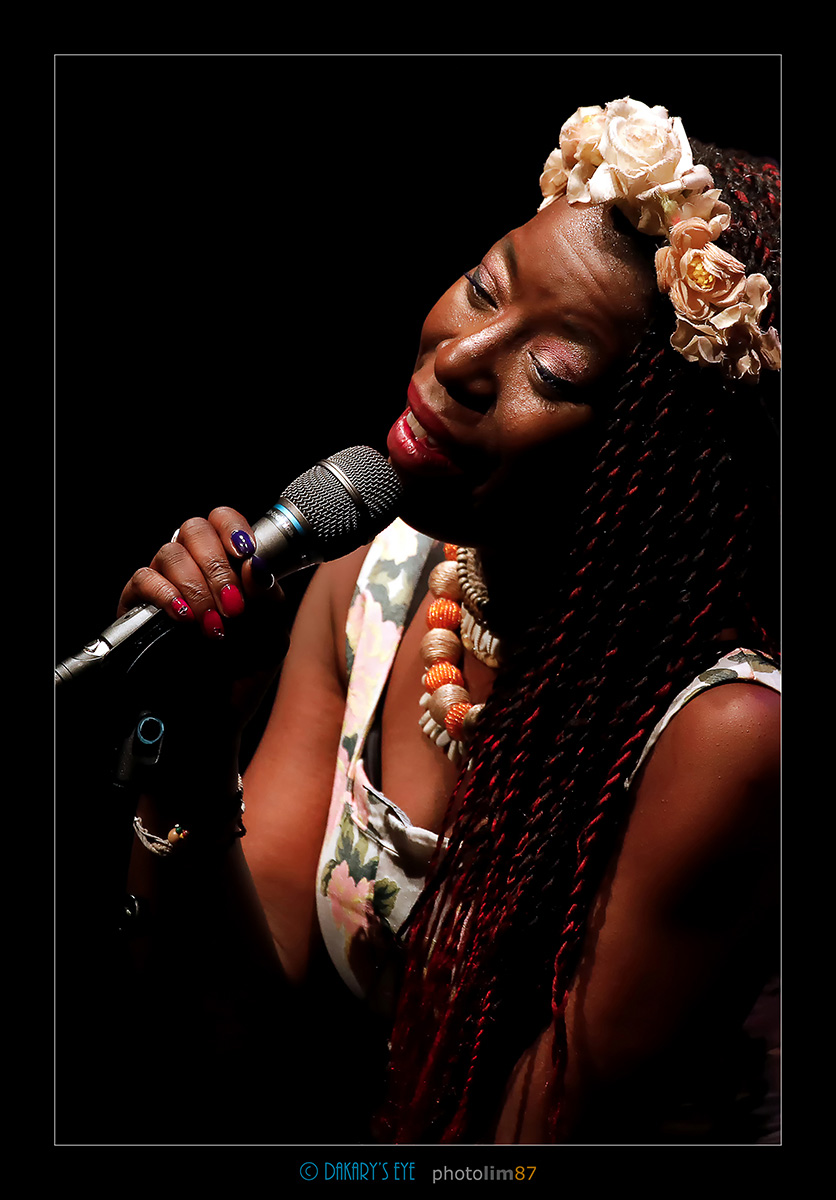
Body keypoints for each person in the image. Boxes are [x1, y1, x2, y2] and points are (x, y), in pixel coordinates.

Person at [113, 97, 780, 1145]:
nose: (465, 357)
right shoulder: (377, 580)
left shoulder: (725, 737)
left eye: (551, 371)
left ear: (655, 466)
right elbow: (230, 1021)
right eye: (482, 287)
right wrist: (189, 738)